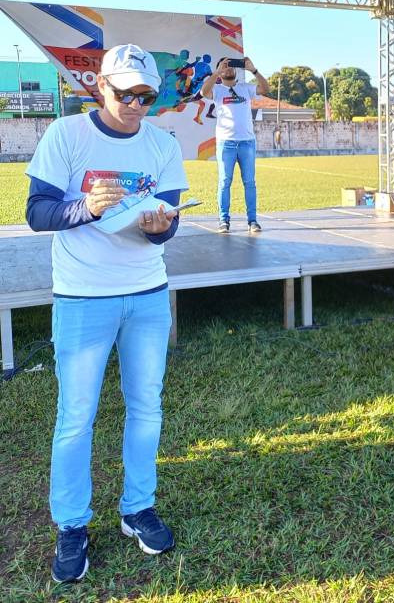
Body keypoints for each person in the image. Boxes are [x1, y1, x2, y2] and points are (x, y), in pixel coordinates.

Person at [25, 44, 188, 583]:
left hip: (147, 293)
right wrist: (86, 208)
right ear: (100, 87)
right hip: (82, 297)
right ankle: (72, 524)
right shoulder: (66, 135)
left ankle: (137, 508)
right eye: (127, 94)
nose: (138, 105)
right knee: (76, 418)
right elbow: (37, 213)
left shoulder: (164, 142)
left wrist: (161, 227)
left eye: (147, 96)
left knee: (148, 407)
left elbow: (171, 221)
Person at [200, 56, 269, 233]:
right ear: (220, 70)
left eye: (231, 65)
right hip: (226, 143)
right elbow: (203, 92)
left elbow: (266, 88)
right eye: (225, 65)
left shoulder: (246, 88)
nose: (229, 68)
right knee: (224, 182)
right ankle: (224, 220)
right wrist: (216, 73)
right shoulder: (217, 89)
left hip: (247, 143)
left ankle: (252, 221)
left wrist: (253, 70)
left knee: (249, 182)